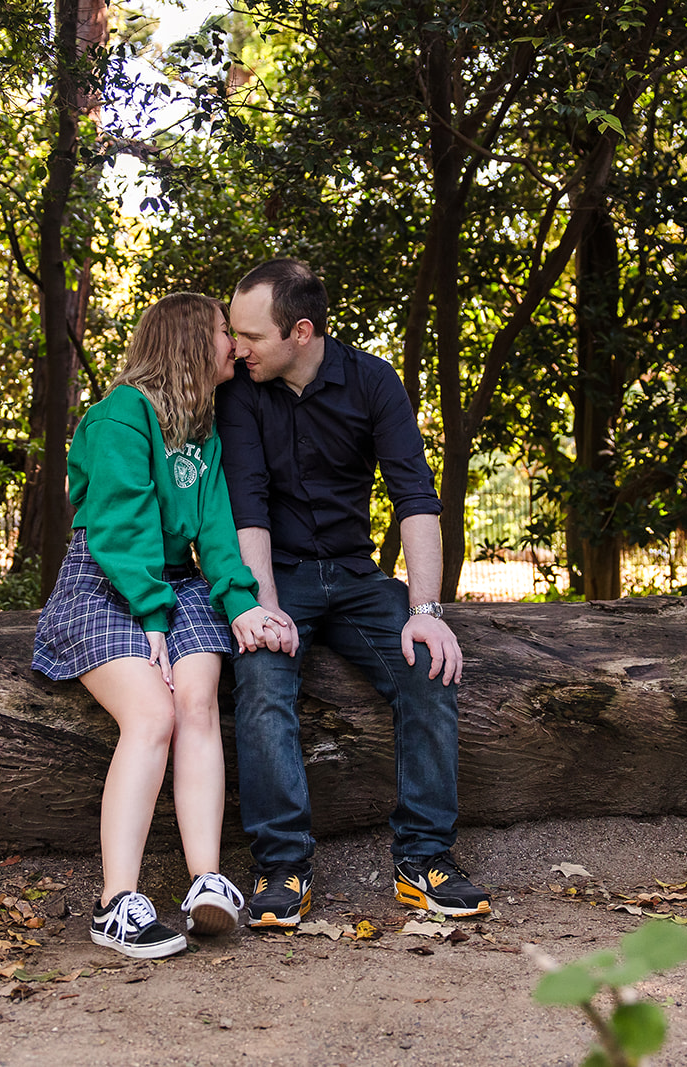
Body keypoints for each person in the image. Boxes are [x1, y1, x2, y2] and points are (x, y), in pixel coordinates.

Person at [216, 258, 491, 927]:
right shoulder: (242, 391)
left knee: (429, 666)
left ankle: (424, 859)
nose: (235, 346)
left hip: (358, 577)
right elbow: (246, 503)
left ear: (301, 332)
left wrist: (425, 611)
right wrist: (261, 604)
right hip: (276, 575)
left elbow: (415, 499)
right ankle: (283, 863)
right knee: (258, 673)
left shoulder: (372, 381)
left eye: (250, 334)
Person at [33, 292, 296, 959]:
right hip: (107, 579)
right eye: (220, 332)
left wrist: (242, 604)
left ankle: (206, 880)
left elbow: (214, 530)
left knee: (199, 700)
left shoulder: (201, 432)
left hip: (176, 583)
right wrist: (152, 614)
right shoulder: (121, 412)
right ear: (186, 342)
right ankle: (115, 903)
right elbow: (121, 526)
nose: (233, 345)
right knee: (153, 715)